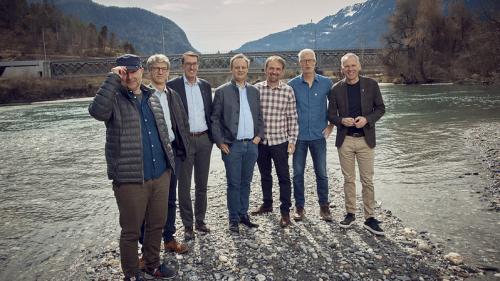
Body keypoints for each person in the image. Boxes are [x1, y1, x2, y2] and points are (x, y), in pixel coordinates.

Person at [88, 54, 177, 280]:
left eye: (133, 70)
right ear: (119, 73)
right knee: (131, 231)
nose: (130, 75)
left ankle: (152, 264)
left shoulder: (152, 97)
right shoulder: (113, 99)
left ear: (141, 71)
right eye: (124, 71)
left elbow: (162, 133)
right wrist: (111, 79)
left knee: (157, 225)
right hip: (130, 179)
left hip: (160, 175)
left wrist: (169, 167)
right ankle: (131, 273)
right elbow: (96, 111)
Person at [137, 54, 190, 260]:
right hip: (152, 154)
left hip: (173, 152)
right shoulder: (142, 96)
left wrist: (184, 148)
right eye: (156, 68)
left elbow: (182, 124)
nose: (160, 71)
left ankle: (169, 239)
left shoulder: (172, 95)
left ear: (168, 71)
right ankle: (145, 249)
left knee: (170, 199)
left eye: (164, 68)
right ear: (149, 72)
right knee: (147, 202)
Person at [328, 53, 386, 235]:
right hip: (345, 140)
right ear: (342, 68)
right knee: (348, 179)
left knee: (367, 180)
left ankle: (369, 218)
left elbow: (381, 108)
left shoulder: (371, 85)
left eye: (353, 65)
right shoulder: (336, 89)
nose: (350, 69)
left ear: (359, 66)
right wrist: (341, 121)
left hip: (365, 140)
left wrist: (367, 119)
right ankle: (350, 214)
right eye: (346, 66)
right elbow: (330, 115)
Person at [211, 53, 264, 233]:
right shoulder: (221, 91)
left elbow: (260, 117)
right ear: (231, 69)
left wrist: (259, 137)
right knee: (233, 183)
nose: (240, 70)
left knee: (246, 182)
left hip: (251, 145)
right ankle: (233, 219)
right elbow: (215, 119)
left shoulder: (254, 91)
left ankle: (243, 215)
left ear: (247, 69)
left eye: (243, 67)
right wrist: (219, 142)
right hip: (232, 146)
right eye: (237, 67)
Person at [167, 51, 213, 240]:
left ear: (198, 65)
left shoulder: (205, 85)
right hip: (184, 142)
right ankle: (187, 225)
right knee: (184, 186)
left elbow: (209, 113)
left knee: (202, 184)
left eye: (195, 64)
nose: (192, 67)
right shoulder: (172, 86)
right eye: (188, 64)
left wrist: (213, 137)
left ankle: (200, 221)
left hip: (204, 140)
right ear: (182, 66)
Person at [251, 56, 298, 227]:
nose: (274, 72)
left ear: (282, 71)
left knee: (284, 177)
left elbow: (292, 117)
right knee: (265, 176)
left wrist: (292, 140)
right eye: (271, 68)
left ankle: (285, 212)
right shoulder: (256, 89)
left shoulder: (288, 91)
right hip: (261, 142)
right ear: (265, 70)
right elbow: (252, 116)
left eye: (278, 69)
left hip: (280, 142)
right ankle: (267, 204)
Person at [288, 49, 334, 222]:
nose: (307, 63)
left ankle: (324, 207)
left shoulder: (326, 83)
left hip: (318, 136)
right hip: (298, 137)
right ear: (299, 63)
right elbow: (286, 111)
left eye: (310, 60)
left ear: (315, 62)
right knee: (297, 173)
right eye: (304, 60)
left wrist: (331, 125)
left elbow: (335, 106)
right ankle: (299, 208)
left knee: (321, 172)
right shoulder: (292, 85)